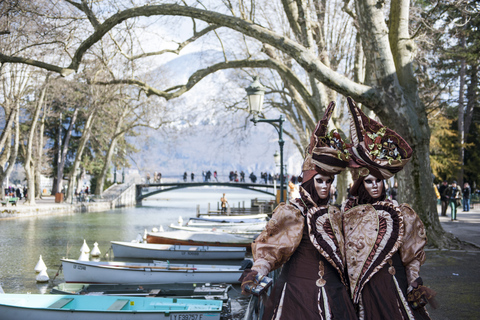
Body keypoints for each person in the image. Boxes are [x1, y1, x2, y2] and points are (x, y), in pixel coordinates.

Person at [240, 102, 357, 319]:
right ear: (309, 181)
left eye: (329, 181)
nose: (325, 186)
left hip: (335, 294)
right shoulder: (293, 212)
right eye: (320, 181)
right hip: (297, 295)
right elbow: (271, 249)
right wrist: (257, 271)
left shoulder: (335, 214)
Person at [342, 97, 436, 319]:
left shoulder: (400, 213)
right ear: (360, 184)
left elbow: (411, 253)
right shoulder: (347, 215)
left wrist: (414, 279)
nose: (375, 185)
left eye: (378, 180)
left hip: (396, 285)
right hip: (365, 291)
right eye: (369, 181)